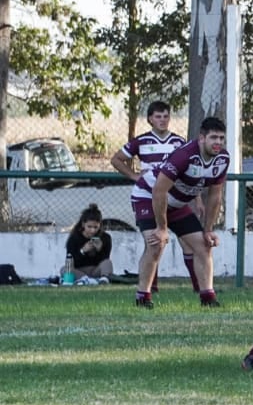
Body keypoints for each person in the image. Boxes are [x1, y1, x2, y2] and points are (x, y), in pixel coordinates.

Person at [130, 117, 230, 309]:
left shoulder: (223, 159)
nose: (218, 142)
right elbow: (159, 191)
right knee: (156, 243)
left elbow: (215, 197)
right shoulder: (184, 156)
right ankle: (143, 297)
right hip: (148, 196)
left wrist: (208, 229)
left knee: (203, 245)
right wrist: (161, 228)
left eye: (221, 138)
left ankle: (208, 297)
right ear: (201, 138)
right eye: (213, 138)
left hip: (177, 204)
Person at [110, 100, 199, 294]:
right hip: (149, 196)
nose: (163, 120)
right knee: (154, 243)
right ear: (150, 119)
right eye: (158, 116)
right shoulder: (141, 141)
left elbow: (191, 172)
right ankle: (151, 288)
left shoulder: (179, 142)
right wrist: (134, 176)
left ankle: (199, 288)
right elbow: (116, 159)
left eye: (166, 116)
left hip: (174, 198)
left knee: (190, 243)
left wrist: (197, 199)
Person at [65, 204, 114, 283]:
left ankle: (103, 280)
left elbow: (105, 260)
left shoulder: (105, 238)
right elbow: (70, 261)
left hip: (96, 270)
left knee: (108, 263)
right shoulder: (74, 238)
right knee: (65, 269)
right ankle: (87, 280)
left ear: (100, 225)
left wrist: (99, 250)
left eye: (95, 227)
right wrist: (82, 251)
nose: (92, 231)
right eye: (89, 227)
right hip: (80, 271)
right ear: (83, 224)